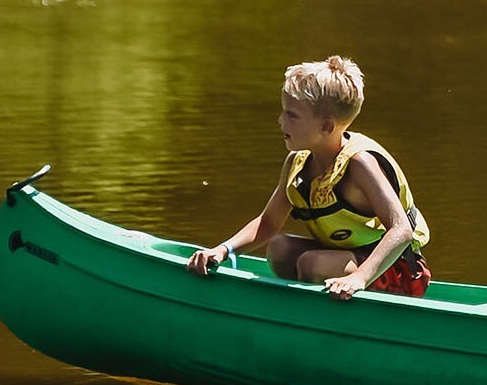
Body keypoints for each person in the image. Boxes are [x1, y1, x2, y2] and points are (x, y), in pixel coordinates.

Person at [185, 56, 432, 299]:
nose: (280, 120)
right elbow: (268, 223)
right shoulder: (297, 162)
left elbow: (402, 230)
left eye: (291, 115)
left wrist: (359, 278)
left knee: (312, 264)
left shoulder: (360, 164)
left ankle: (322, 313)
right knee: (279, 249)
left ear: (326, 127)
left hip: (400, 271)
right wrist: (223, 249)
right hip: (347, 258)